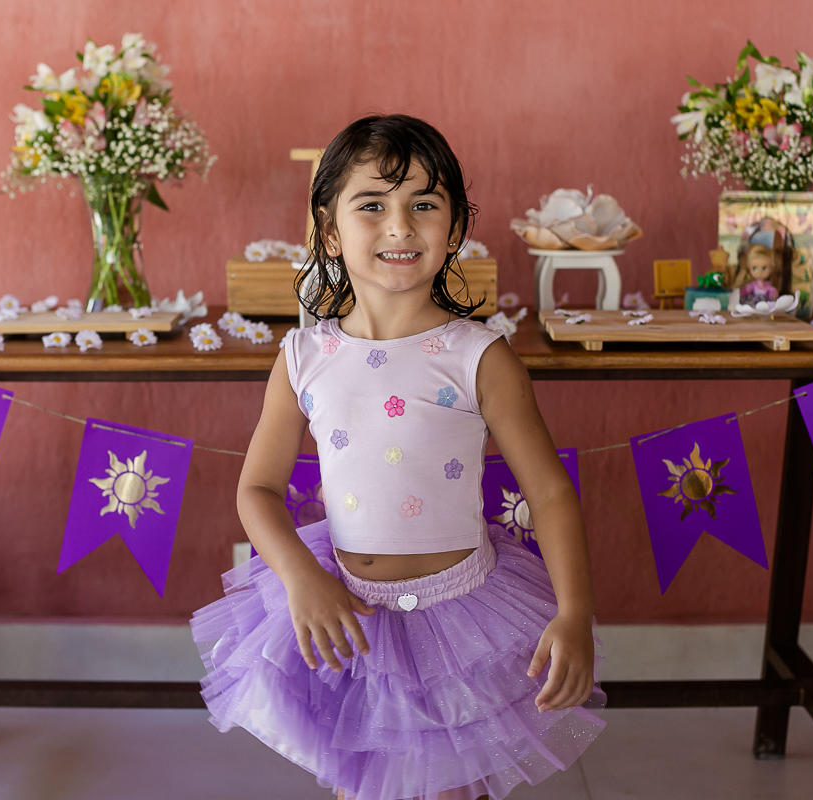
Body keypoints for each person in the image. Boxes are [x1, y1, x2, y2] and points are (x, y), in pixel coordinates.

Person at [191, 114, 605, 800]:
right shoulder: (303, 359)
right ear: (329, 231)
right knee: (369, 781)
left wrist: (575, 613)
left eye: (423, 205)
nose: (400, 226)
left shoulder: (481, 357)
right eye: (373, 206)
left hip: (462, 620)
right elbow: (256, 491)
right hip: (347, 615)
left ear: (455, 230)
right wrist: (298, 576)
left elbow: (552, 494)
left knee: (453, 790)